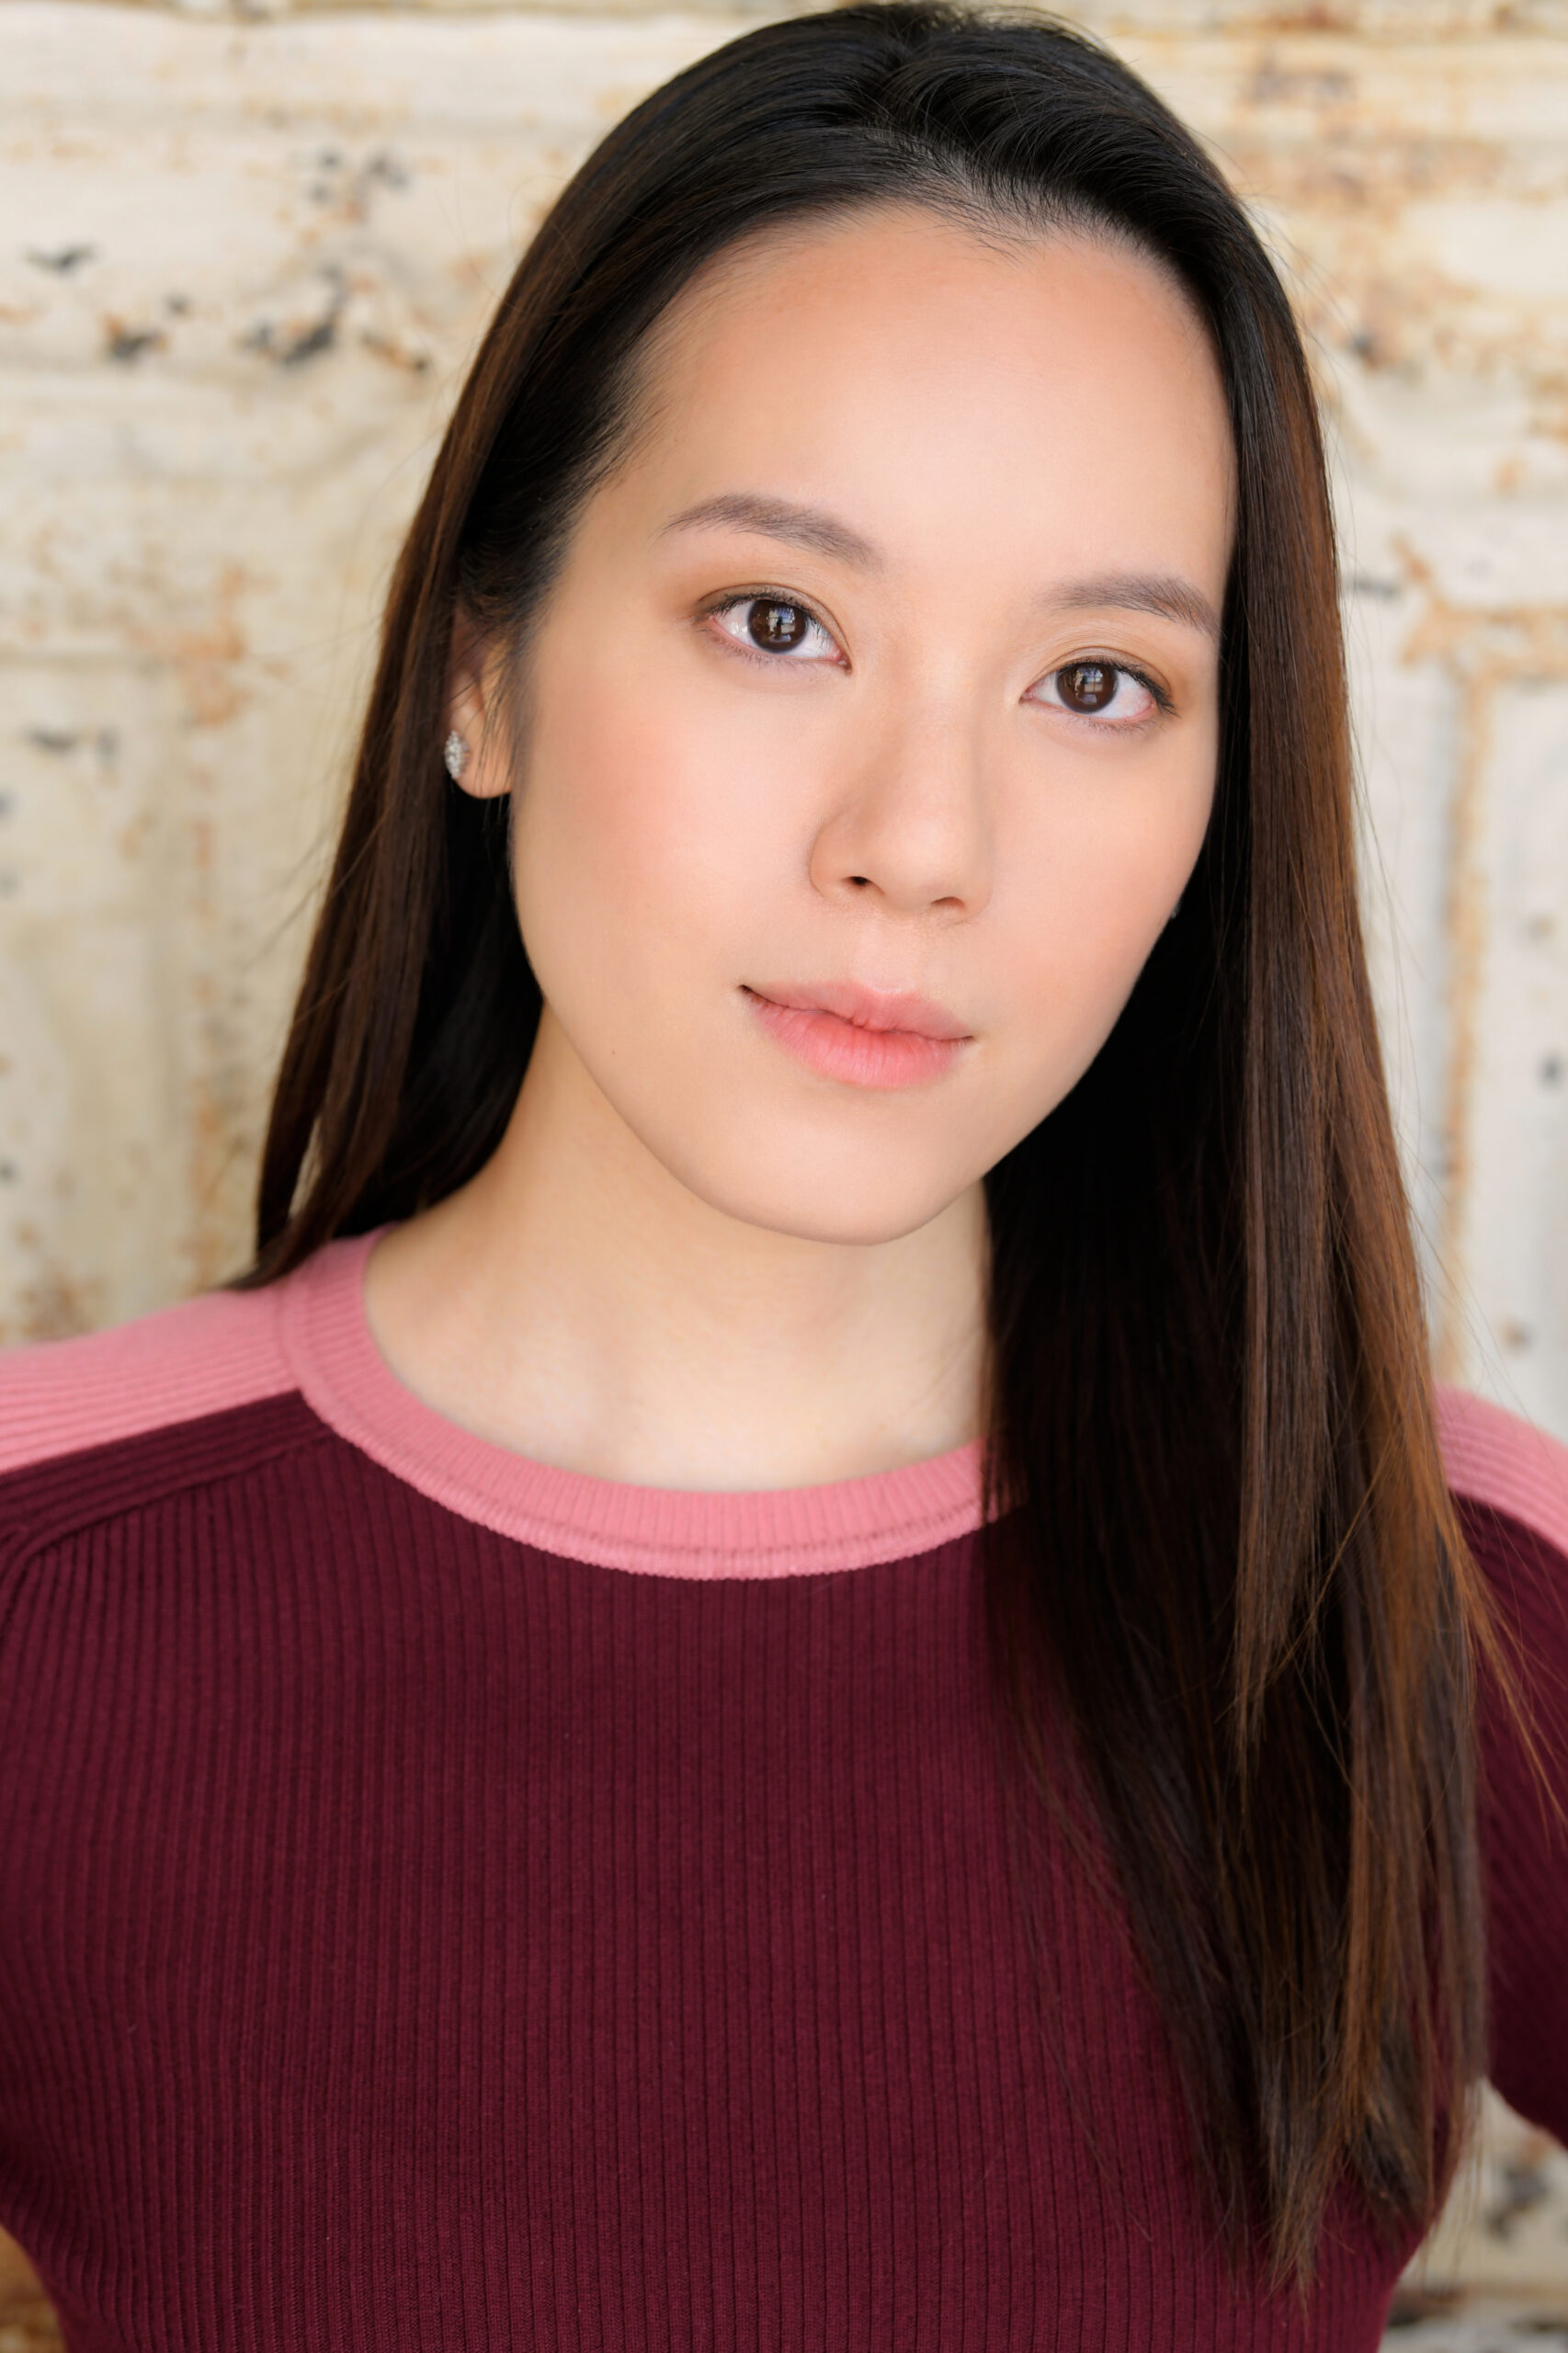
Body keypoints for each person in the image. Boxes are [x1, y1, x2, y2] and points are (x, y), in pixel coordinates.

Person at [2, 6, 1564, 2346]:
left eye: (1096, 682)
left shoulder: (1436, 1598)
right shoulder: (41, 1587)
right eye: (777, 622)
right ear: (481, 663)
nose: (918, 842)